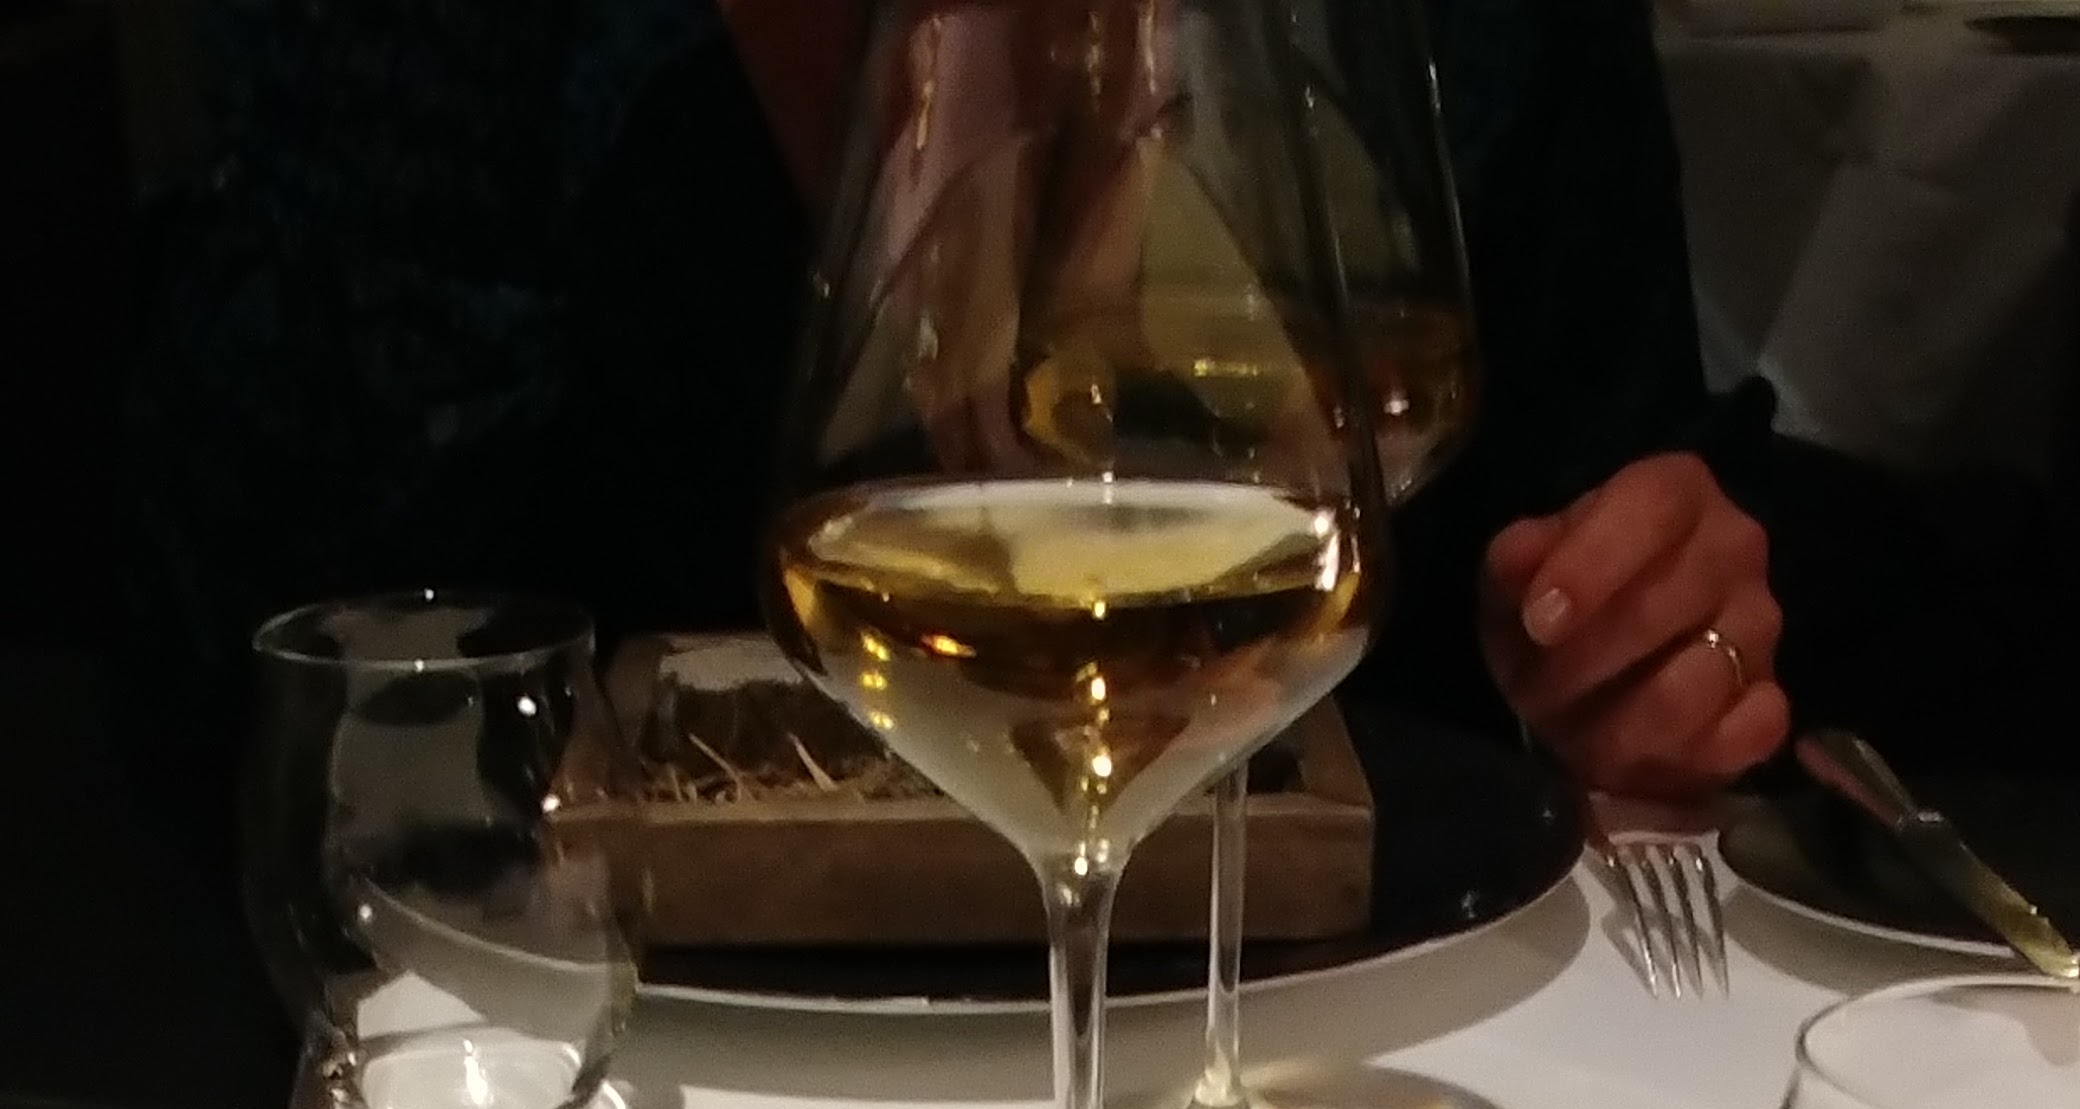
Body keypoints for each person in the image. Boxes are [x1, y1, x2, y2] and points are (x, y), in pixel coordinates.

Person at [132, 0, 1785, 793]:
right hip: (613, 1090)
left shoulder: (1471, 37)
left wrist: (1631, 652)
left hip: (1318, 1067)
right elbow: (281, 656)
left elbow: (1598, 520)